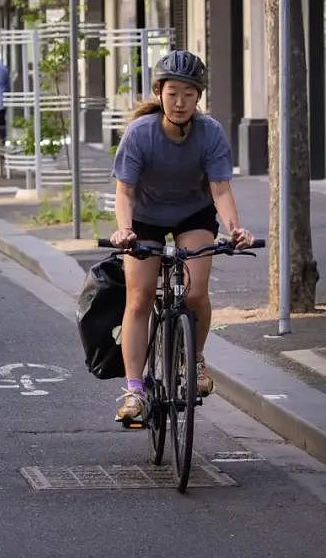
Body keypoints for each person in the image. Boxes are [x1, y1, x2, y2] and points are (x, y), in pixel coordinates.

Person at [109, 50, 254, 424]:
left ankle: (196, 360)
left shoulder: (211, 133)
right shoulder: (140, 134)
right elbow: (125, 192)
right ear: (159, 92)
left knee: (194, 291)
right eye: (172, 92)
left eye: (188, 94)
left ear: (198, 97)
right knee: (139, 298)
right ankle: (134, 391)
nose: (179, 102)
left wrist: (235, 228)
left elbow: (220, 189)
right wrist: (125, 230)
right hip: (145, 217)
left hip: (193, 213)